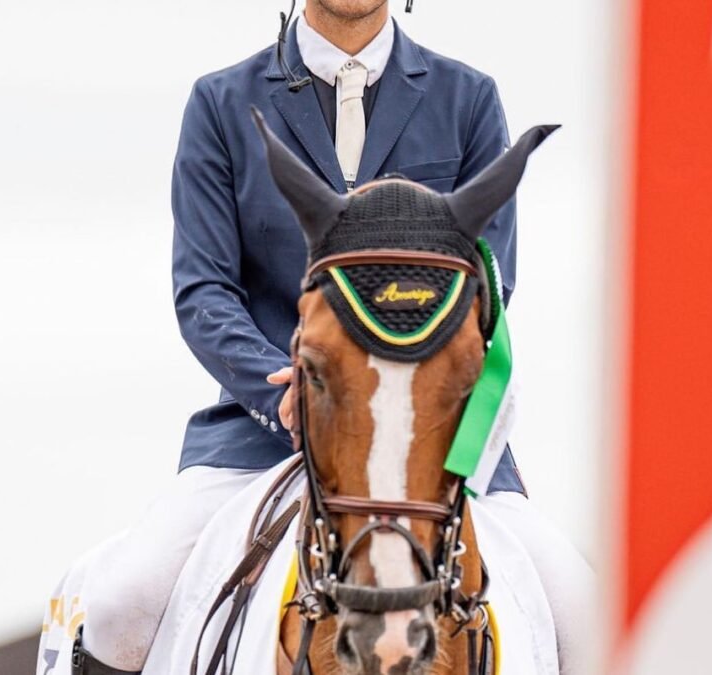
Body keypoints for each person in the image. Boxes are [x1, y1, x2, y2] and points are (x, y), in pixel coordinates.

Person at [74, 2, 594, 673]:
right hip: (263, 432)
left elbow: (488, 289)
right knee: (120, 606)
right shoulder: (220, 102)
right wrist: (286, 384)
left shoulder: (467, 100)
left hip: (434, 446)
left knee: (588, 615)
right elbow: (204, 289)